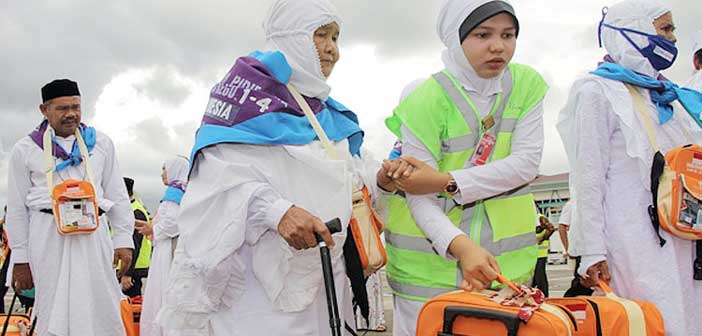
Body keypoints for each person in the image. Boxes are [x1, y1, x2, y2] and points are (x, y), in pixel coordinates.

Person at [157, 1, 390, 335]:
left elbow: (349, 174)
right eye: (320, 35)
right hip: (261, 292)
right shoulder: (244, 102)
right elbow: (218, 184)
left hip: (329, 277)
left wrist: (382, 177)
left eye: (336, 38)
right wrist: (276, 211)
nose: (332, 50)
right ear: (291, 36)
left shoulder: (326, 113)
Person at [381, 0, 548, 334]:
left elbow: (526, 164)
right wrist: (462, 247)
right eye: (482, 34)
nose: (498, 46)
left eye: (508, 34)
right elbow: (417, 194)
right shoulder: (424, 98)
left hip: (504, 272)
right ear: (455, 39)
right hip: (426, 278)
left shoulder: (526, 85)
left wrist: (447, 181)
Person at [557, 1, 702, 334]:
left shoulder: (669, 95)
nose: (673, 39)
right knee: (647, 321)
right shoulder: (597, 90)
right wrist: (592, 250)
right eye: (665, 29)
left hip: (681, 238)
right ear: (634, 32)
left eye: (673, 29)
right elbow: (588, 177)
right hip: (631, 242)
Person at [5, 79, 134, 335]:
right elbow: (17, 208)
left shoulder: (101, 144)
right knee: (53, 304)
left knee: (101, 301)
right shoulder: (26, 149)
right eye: (63, 108)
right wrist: (20, 259)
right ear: (44, 110)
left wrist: (123, 238)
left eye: (76, 107)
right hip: (48, 237)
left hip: (93, 237)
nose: (71, 114)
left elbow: (117, 194)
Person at [138, 157, 188, 336]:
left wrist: (153, 229)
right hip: (169, 249)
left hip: (167, 253)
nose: (162, 174)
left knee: (161, 298)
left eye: (165, 169)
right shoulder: (185, 190)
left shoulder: (174, 192)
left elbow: (173, 223)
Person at [120, 177, 152, 298]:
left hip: (133, 270)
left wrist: (127, 273)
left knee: (132, 308)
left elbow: (134, 244)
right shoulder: (128, 209)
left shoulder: (136, 212)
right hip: (127, 267)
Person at [558, 200, 593, 298]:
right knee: (582, 279)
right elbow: (561, 226)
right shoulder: (572, 204)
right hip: (580, 250)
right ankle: (572, 300)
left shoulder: (591, 203)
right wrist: (568, 248)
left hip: (592, 248)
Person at [532, 213, 556, 297]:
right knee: (536, 278)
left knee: (540, 278)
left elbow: (550, 229)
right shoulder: (539, 217)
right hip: (538, 254)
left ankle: (544, 296)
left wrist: (541, 239)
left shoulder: (537, 217)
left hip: (538, 254)